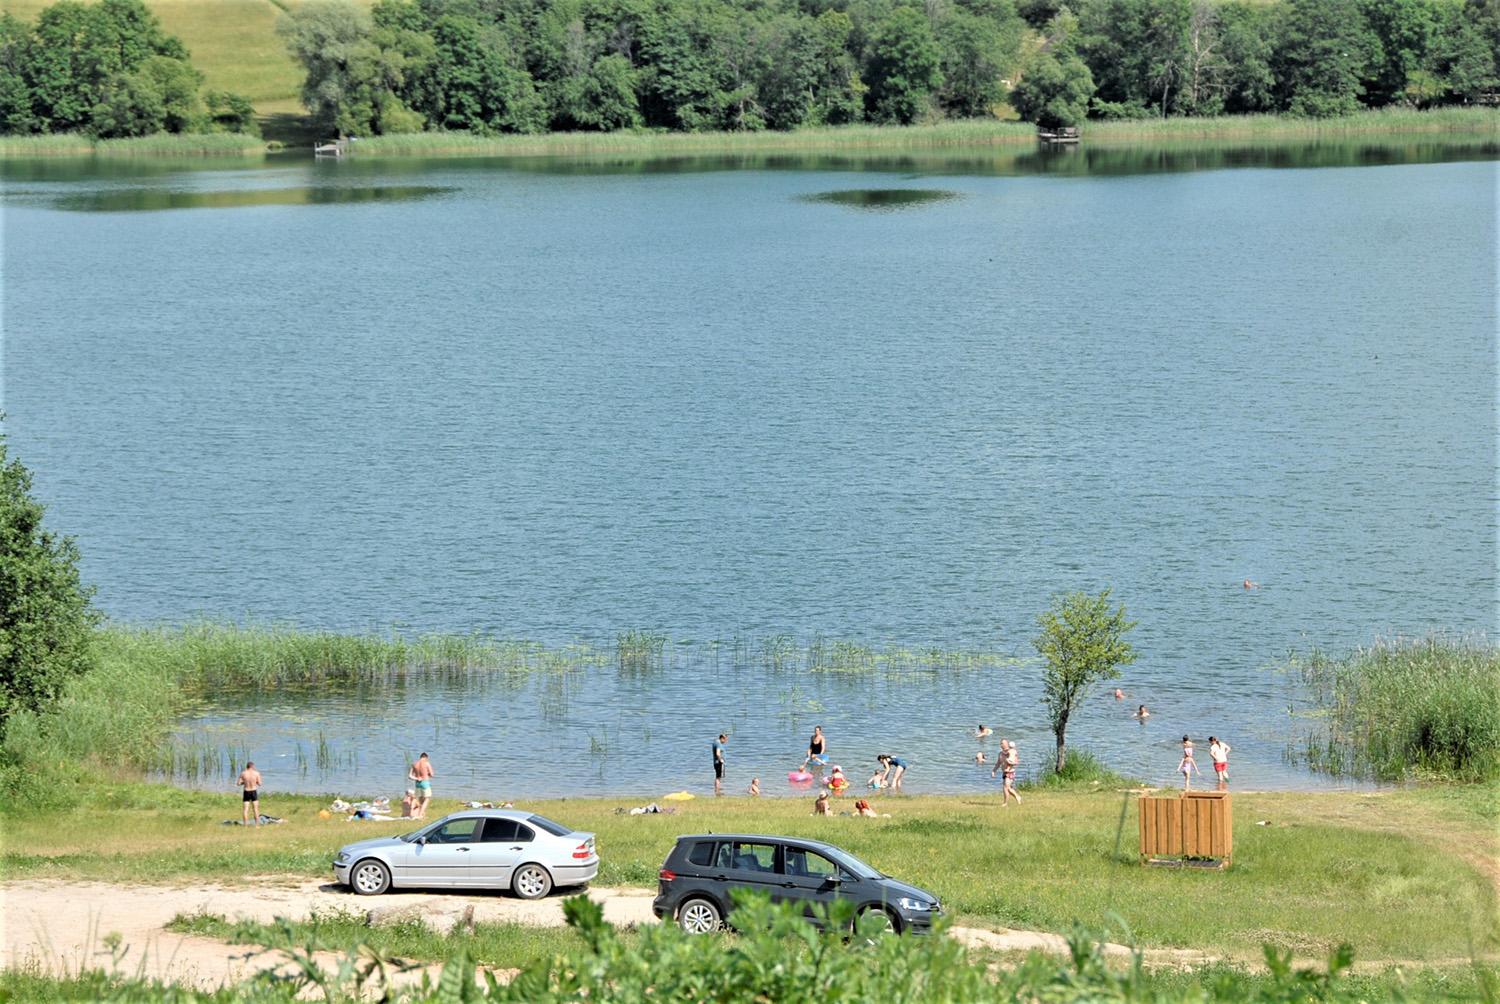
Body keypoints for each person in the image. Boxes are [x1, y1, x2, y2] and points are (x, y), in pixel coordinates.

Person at [991, 740, 1021, 805]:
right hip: (1004, 773)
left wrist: (1009, 768)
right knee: (1009, 788)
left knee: (1005, 787)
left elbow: (1013, 762)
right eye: (1001, 743)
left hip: (1010, 772)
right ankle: (1017, 796)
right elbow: (998, 763)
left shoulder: (1011, 751)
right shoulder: (1000, 753)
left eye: (1003, 743)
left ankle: (1005, 803)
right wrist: (994, 771)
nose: (1001, 745)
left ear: (1007, 744)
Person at [409, 753, 435, 818]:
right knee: (427, 798)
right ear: (426, 757)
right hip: (425, 782)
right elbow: (432, 774)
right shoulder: (427, 763)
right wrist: (427, 774)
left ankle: (423, 814)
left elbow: (410, 776)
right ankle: (420, 815)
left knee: (421, 799)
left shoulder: (414, 764)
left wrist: (417, 778)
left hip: (417, 783)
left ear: (420, 757)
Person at [237, 761, 262, 826]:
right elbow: (260, 784)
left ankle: (245, 825)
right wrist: (254, 782)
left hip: (246, 791)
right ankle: (257, 825)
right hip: (253, 791)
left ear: (247, 766)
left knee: (245, 809)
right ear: (252, 766)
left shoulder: (243, 773)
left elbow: (238, 783)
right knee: (255, 809)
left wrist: (244, 782)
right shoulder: (256, 773)